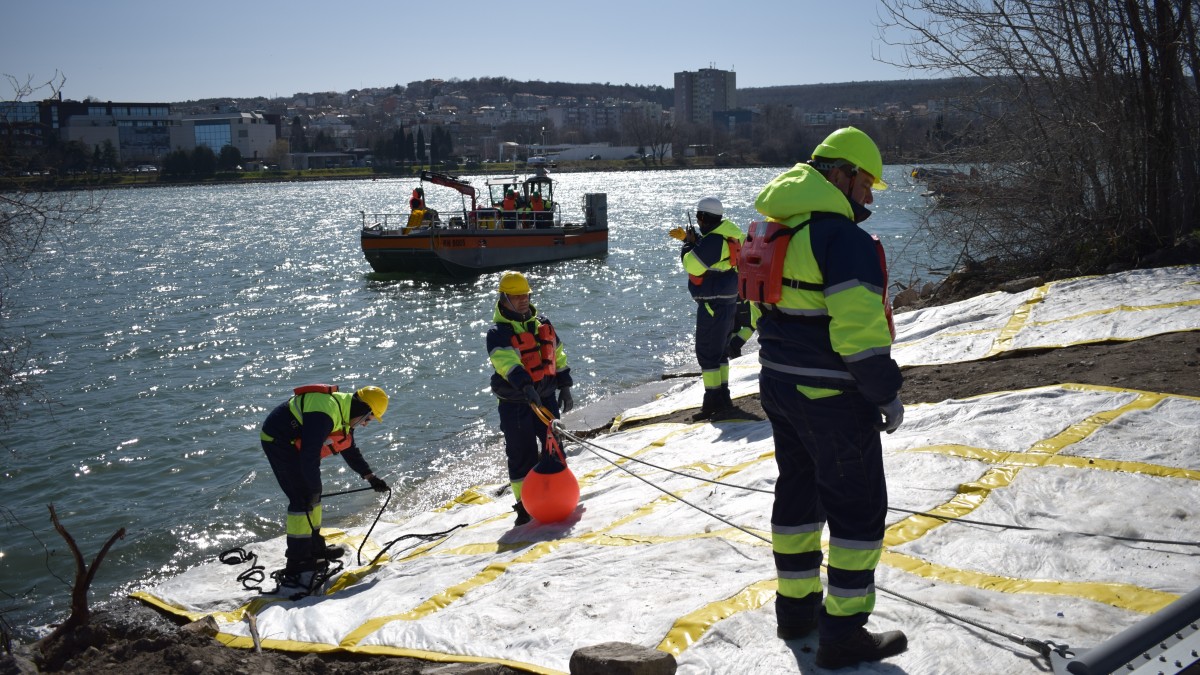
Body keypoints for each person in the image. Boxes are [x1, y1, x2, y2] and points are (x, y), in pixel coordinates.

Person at [749, 126, 907, 669]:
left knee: (798, 495)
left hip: (779, 385)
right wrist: (886, 394)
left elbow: (762, 312)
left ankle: (795, 615)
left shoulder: (779, 231)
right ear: (840, 175)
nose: (867, 197)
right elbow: (859, 337)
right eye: (865, 184)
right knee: (857, 511)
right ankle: (843, 633)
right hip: (832, 397)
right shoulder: (845, 241)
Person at [259, 384, 391, 580]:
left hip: (298, 444)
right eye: (369, 419)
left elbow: (348, 448)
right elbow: (308, 455)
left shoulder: (346, 412)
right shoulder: (325, 413)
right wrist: (313, 487)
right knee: (302, 498)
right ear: (364, 410)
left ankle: (315, 549)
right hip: (278, 441)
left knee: (313, 496)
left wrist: (370, 477)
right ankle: (297, 561)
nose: (365, 424)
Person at [486, 271, 574, 525]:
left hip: (546, 397)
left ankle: (558, 493)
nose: (523, 299)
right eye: (517, 296)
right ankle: (524, 506)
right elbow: (507, 363)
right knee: (520, 453)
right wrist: (525, 387)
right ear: (504, 298)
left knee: (555, 448)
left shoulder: (542, 323)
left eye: (526, 294)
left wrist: (565, 385)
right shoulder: (497, 333)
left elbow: (558, 354)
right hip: (516, 403)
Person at [674, 196, 745, 420]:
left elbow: (692, 264)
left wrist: (687, 245)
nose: (698, 221)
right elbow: (713, 259)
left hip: (714, 303)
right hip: (726, 300)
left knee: (707, 353)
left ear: (703, 218)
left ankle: (713, 401)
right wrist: (694, 242)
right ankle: (723, 397)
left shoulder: (714, 240)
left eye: (699, 218)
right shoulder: (728, 234)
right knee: (719, 353)